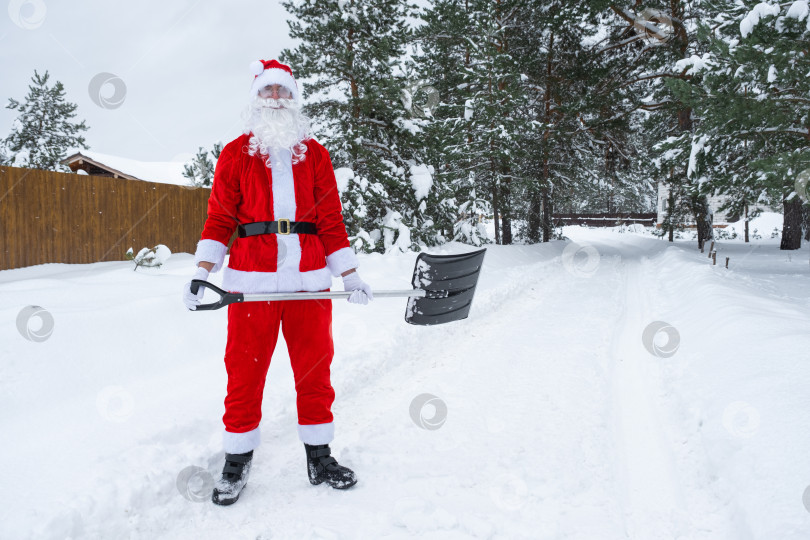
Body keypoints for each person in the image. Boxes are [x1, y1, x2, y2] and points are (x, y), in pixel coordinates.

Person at [182, 59, 373, 506]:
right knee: (244, 372)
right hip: (252, 283)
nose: (275, 98)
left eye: (282, 92)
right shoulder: (235, 154)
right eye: (267, 91)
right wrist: (200, 273)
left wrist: (349, 273)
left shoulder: (316, 154)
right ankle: (237, 460)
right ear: (255, 99)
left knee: (315, 368)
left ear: (294, 99)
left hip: (308, 282)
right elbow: (219, 220)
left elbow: (330, 220)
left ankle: (319, 455)